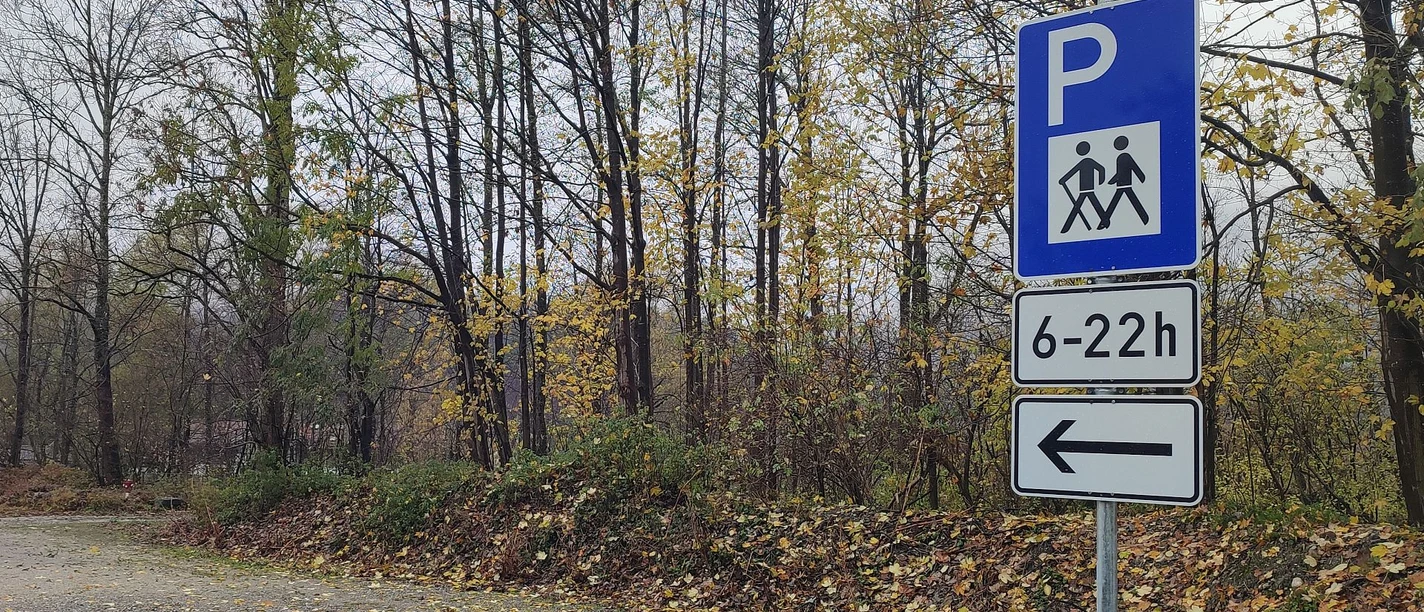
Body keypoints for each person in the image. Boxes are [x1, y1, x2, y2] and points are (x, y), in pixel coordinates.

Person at [1057, 141, 1106, 234]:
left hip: (1089, 188)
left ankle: (1105, 220)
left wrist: (1101, 181)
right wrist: (1063, 179)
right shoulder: (1083, 162)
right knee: (1078, 207)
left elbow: (1101, 169)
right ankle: (1066, 228)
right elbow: (1072, 172)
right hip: (1083, 190)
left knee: (1091, 206)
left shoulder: (1088, 161)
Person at [1101, 135, 1149, 229]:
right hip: (1122, 185)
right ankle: (1104, 222)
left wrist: (1141, 177)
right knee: (1115, 203)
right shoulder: (1121, 157)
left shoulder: (1124, 156)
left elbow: (1130, 169)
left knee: (1117, 203)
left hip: (1125, 184)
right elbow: (1122, 171)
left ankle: (1145, 219)